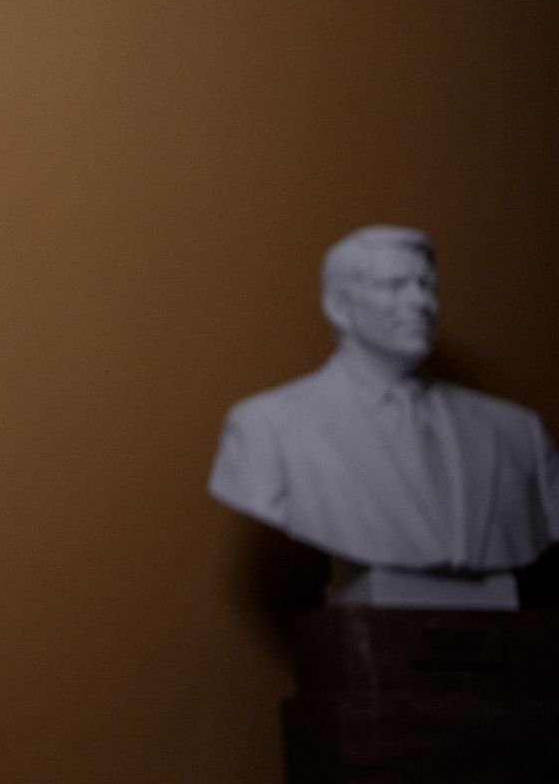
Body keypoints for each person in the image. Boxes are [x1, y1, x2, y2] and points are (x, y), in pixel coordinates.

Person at [210, 225, 559, 608]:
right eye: (395, 286)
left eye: (427, 285)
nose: (421, 302)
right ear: (339, 306)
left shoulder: (516, 431)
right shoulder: (268, 427)